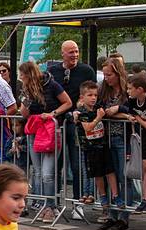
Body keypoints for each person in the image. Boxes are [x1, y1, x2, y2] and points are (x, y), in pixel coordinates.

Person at [18, 60, 71, 223]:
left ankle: (50, 206)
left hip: (51, 130)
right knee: (38, 171)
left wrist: (53, 113)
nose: (21, 78)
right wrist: (25, 100)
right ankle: (42, 204)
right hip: (35, 131)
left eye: (22, 75)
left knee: (48, 173)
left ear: (29, 74)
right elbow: (24, 114)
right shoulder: (27, 89)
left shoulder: (52, 85)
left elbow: (68, 102)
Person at [49, 40, 97, 203]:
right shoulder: (53, 71)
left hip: (76, 124)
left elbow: (92, 93)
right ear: (62, 53)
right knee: (56, 163)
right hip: (57, 123)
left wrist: (80, 109)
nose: (75, 55)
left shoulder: (86, 71)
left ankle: (78, 203)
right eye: (71, 52)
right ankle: (54, 203)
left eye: (76, 51)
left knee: (77, 165)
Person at [111, 73, 146, 213]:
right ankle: (145, 198)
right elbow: (134, 114)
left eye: (130, 88)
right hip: (143, 136)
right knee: (145, 167)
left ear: (139, 89)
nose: (128, 91)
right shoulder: (132, 100)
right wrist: (141, 122)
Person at [98, 57, 131, 230]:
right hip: (107, 137)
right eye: (105, 75)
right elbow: (101, 111)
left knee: (123, 176)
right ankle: (111, 214)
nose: (107, 78)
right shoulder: (104, 91)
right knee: (109, 176)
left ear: (118, 74)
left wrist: (119, 110)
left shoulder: (127, 91)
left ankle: (123, 216)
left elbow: (133, 110)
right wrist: (120, 115)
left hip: (122, 138)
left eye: (109, 75)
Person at [76, 80, 118, 210]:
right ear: (82, 97)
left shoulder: (98, 108)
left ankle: (116, 195)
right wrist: (98, 118)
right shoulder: (82, 112)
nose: (93, 98)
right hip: (90, 148)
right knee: (98, 174)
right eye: (90, 95)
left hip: (103, 144)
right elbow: (88, 128)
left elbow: (109, 112)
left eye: (95, 95)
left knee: (110, 171)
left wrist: (127, 116)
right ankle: (103, 196)